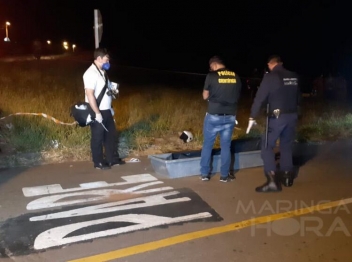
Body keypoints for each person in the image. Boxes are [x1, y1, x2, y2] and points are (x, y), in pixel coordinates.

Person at [246, 55, 300, 192]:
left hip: (277, 117)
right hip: (292, 115)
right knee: (286, 145)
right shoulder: (293, 76)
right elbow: (298, 97)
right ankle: (287, 177)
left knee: (266, 146)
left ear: (271, 64)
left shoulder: (270, 77)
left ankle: (272, 180)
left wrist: (252, 117)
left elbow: (259, 98)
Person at [200, 56, 242, 182]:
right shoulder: (236, 76)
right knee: (226, 146)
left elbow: (205, 96)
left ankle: (204, 174)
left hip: (213, 115)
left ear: (214, 65)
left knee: (207, 145)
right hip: (230, 116)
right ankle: (224, 176)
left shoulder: (211, 76)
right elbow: (237, 95)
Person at [83, 48, 125, 169]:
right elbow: (89, 94)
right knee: (97, 137)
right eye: (106, 59)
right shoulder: (90, 73)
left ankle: (111, 159)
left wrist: (110, 106)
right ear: (99, 58)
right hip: (97, 111)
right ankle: (98, 162)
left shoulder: (102, 72)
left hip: (106, 110)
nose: (108, 62)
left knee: (110, 135)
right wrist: (97, 113)